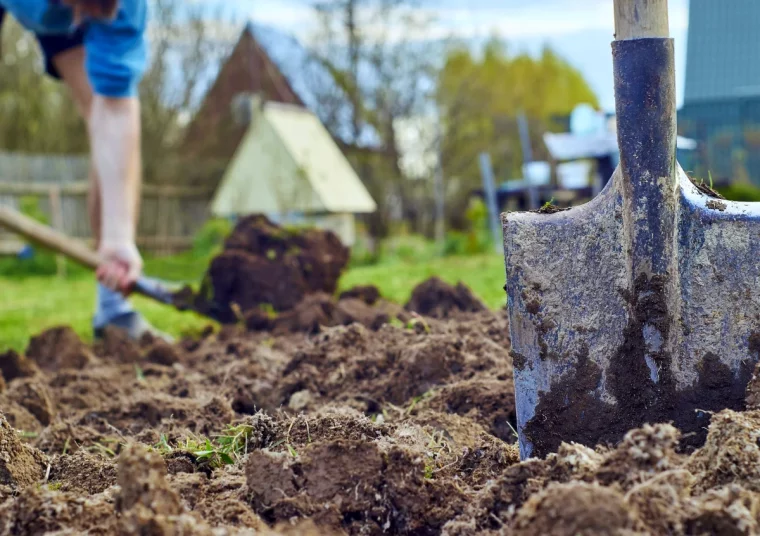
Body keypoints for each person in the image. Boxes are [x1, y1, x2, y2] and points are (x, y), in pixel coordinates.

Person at [0, 0, 166, 340]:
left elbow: (115, 107)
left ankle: (113, 309)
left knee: (102, 108)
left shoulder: (125, 6)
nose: (76, 21)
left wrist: (118, 238)